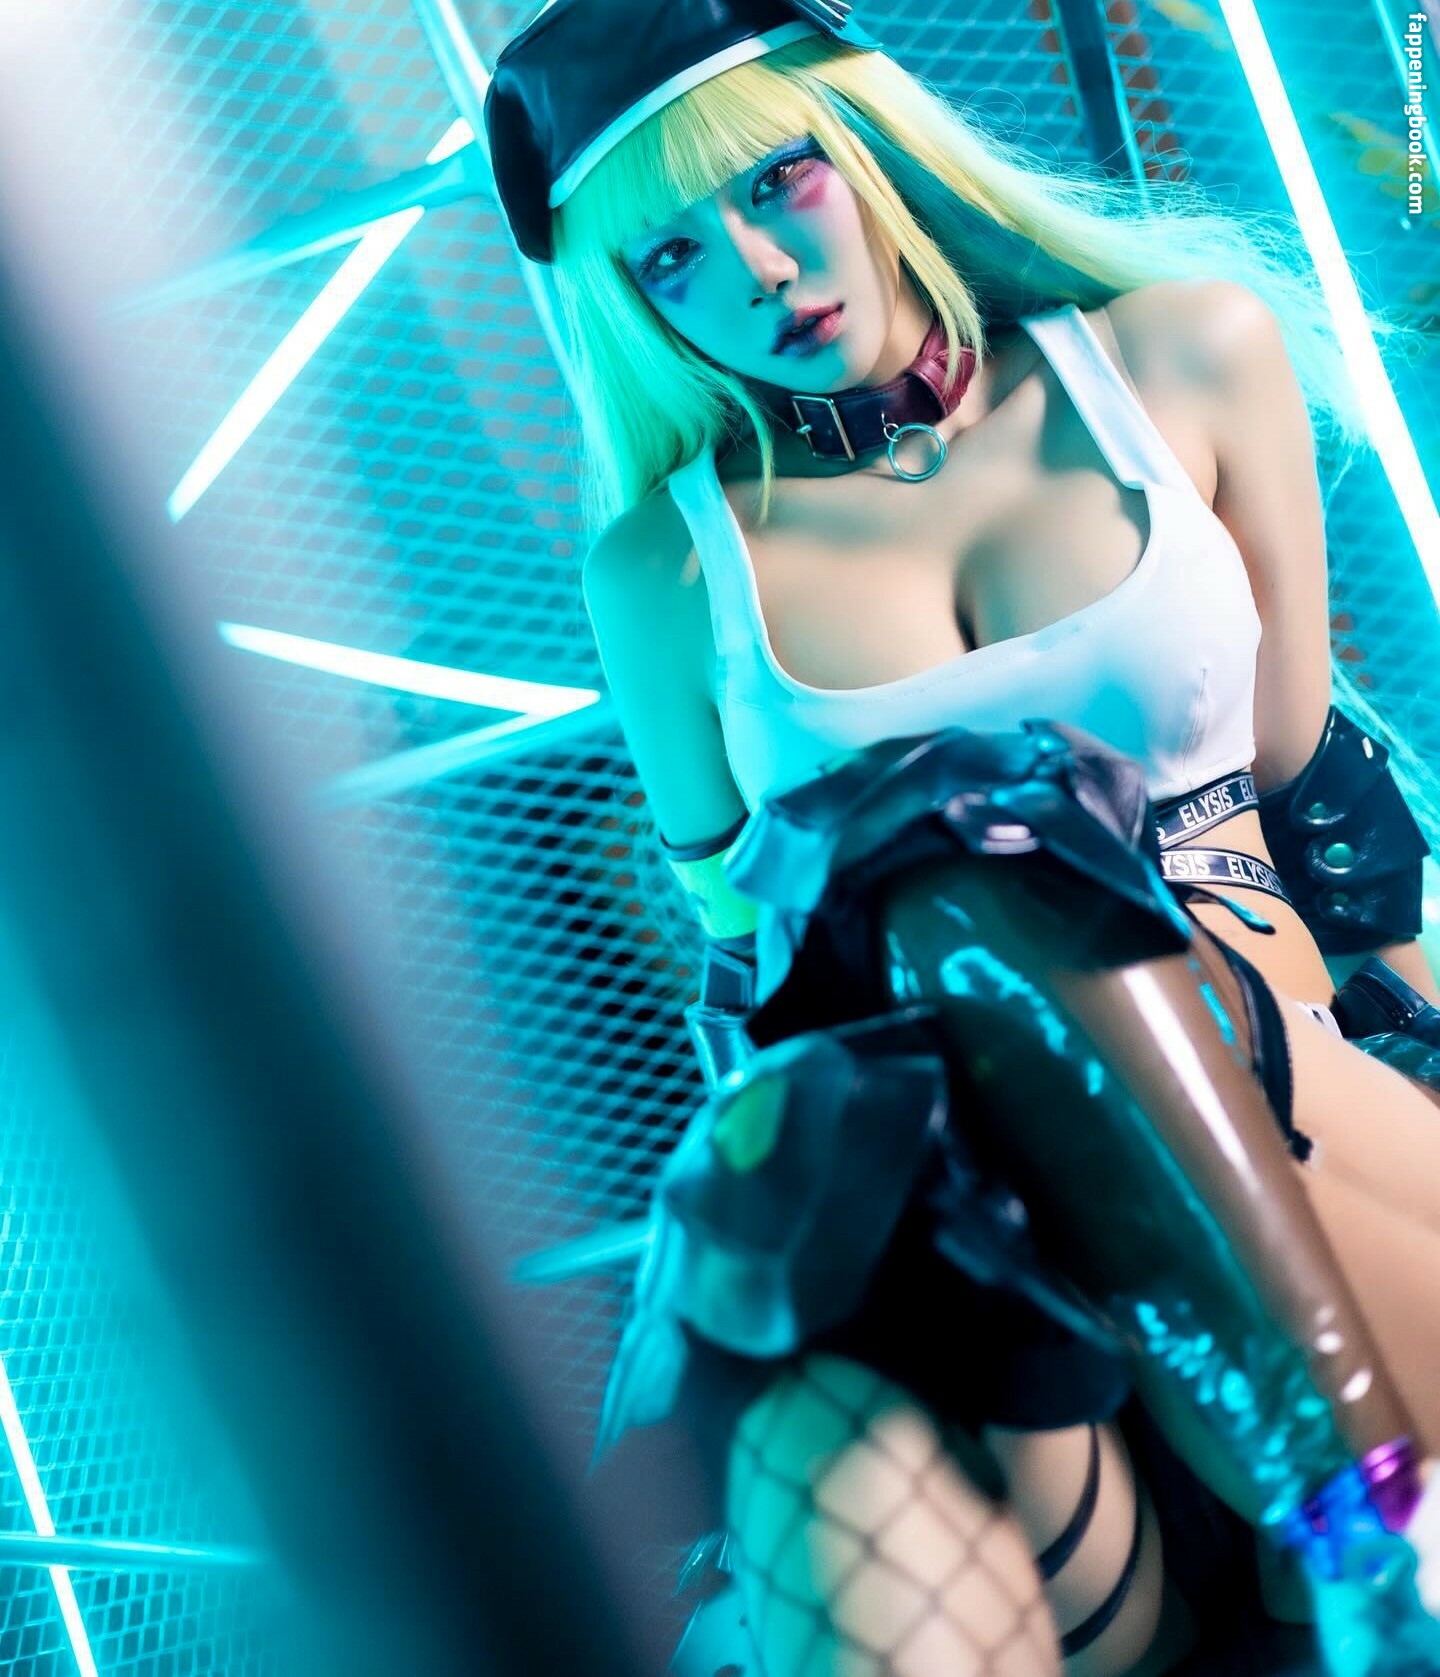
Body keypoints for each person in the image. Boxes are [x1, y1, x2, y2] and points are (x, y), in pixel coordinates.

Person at [482, 1, 1440, 1669]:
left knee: (960, 871)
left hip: (1296, 1126)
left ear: (861, 141)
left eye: (775, 181)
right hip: (996, 1295)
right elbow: (751, 969)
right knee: (818, 1380)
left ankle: (1360, 1504)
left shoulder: (1180, 357)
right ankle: (1368, 1535)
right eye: (673, 259)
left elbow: (1324, 805)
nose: (756, 273)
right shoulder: (666, 573)